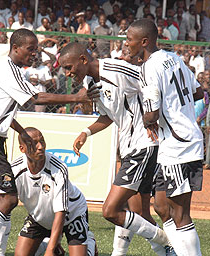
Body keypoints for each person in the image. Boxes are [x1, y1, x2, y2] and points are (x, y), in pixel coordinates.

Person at [0, 28, 98, 256]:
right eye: (30, 49)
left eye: (35, 49)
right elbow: (36, 97)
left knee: (3, 202)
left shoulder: (8, 71)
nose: (34, 54)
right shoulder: (8, 70)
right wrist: (76, 97)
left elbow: (1, 112)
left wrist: (21, 130)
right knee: (8, 200)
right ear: (15, 48)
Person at [58, 42, 176, 256]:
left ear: (83, 60)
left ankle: (168, 241)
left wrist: (153, 119)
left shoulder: (115, 69)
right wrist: (86, 132)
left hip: (144, 145)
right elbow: (109, 116)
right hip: (130, 148)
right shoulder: (88, 80)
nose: (67, 73)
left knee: (111, 209)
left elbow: (152, 82)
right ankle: (166, 251)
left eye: (68, 67)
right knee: (138, 212)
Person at [125, 18, 204, 256]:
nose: (127, 44)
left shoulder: (149, 67)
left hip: (179, 146)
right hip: (176, 142)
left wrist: (147, 121)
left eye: (130, 40)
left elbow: (151, 114)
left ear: (144, 41)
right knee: (160, 206)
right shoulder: (175, 58)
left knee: (180, 214)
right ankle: (173, 251)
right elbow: (199, 92)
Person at [13, 127, 97, 256]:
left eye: (42, 141)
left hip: (72, 214)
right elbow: (3, 207)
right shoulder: (15, 170)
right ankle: (47, 242)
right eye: (34, 143)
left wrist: (50, 250)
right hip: (40, 218)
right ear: (22, 149)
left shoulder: (59, 167)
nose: (40, 146)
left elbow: (61, 211)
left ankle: (89, 243)